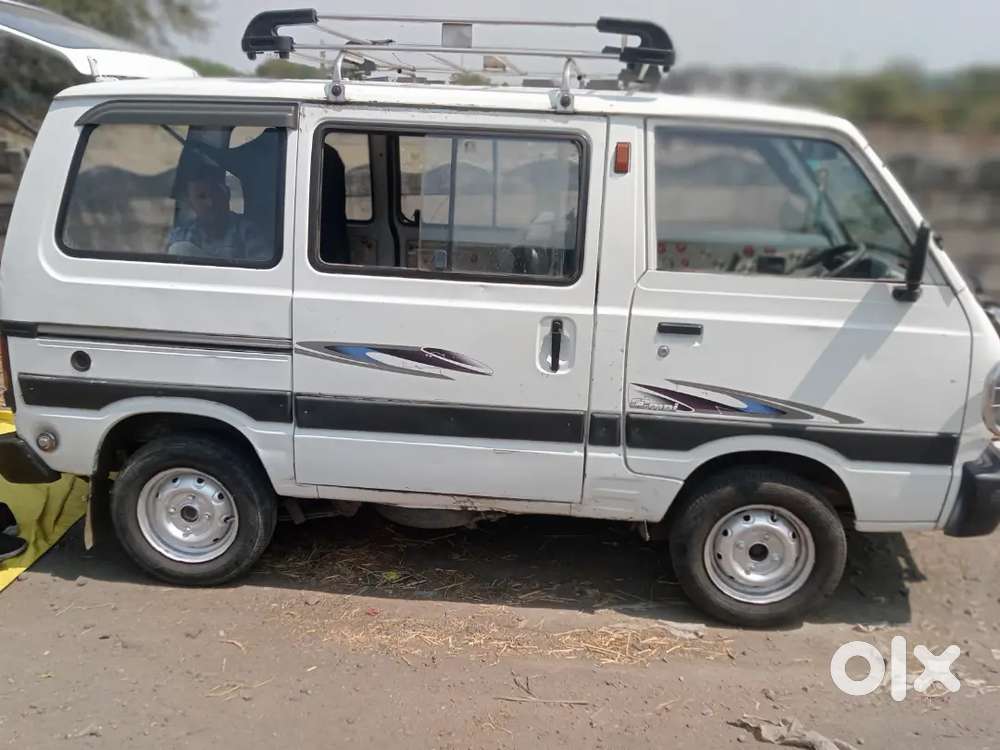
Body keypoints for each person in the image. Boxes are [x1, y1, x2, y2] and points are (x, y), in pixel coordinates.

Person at [166, 164, 271, 262]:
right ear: (191, 203)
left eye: (215, 194)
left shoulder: (247, 232)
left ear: (227, 195)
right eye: (201, 197)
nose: (210, 203)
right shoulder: (181, 235)